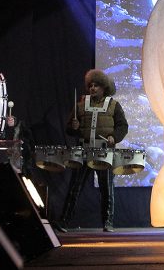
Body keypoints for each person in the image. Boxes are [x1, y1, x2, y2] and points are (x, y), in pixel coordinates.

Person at [55, 69, 129, 232]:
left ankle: (107, 222)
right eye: (91, 85)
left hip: (104, 152)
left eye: (96, 85)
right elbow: (70, 129)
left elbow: (123, 126)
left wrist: (114, 137)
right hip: (84, 150)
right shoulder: (81, 105)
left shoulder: (114, 106)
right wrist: (73, 128)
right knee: (75, 187)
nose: (93, 88)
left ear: (104, 87)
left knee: (106, 188)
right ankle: (64, 222)